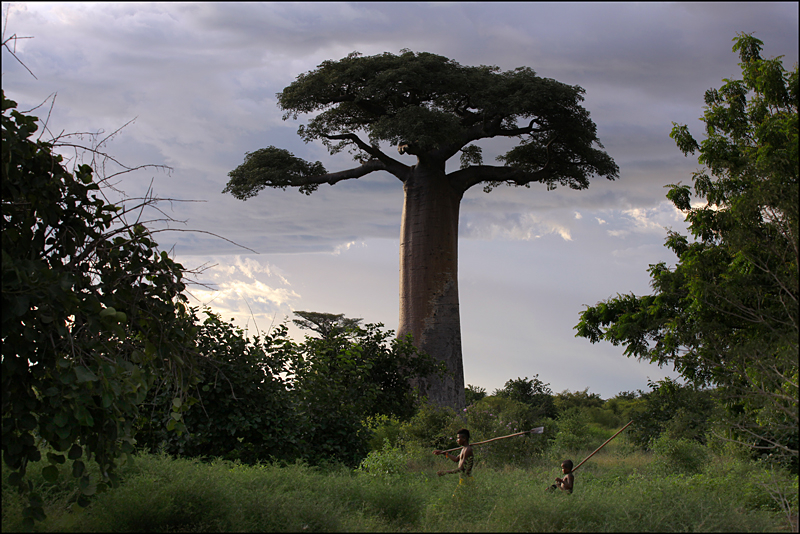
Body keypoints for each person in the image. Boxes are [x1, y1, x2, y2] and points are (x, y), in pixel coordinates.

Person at [433, 428, 474, 495]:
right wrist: (443, 453)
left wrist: (445, 472)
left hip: (467, 480)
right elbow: (456, 459)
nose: (457, 440)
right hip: (463, 480)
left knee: (456, 501)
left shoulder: (468, 450)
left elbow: (461, 469)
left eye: (458, 438)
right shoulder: (464, 449)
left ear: (464, 438)